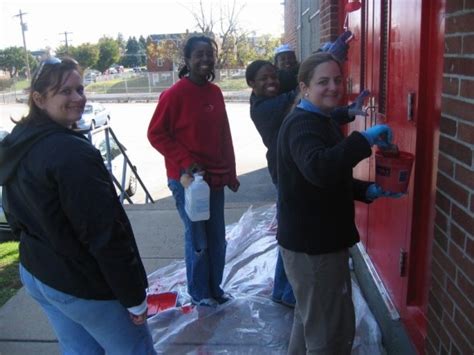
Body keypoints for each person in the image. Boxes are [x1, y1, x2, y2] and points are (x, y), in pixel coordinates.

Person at [0, 57, 156, 354]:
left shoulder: (19, 140)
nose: (78, 98)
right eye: (66, 92)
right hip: (81, 285)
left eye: (80, 89)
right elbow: (105, 234)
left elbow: (14, 212)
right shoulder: (72, 155)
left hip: (38, 273)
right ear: (39, 99)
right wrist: (134, 297)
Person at [276, 52, 401, 354]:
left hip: (312, 242)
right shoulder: (303, 126)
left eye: (337, 80)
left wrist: (368, 191)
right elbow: (320, 169)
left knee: (311, 321)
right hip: (313, 249)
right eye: (323, 82)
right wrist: (364, 139)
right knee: (330, 333)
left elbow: (325, 181)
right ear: (304, 88)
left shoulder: (318, 119)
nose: (333, 87)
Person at [147, 35, 239, 308]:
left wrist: (231, 173)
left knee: (217, 238)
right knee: (198, 238)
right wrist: (186, 160)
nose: (205, 59)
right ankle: (200, 293)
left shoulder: (214, 92)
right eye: (198, 54)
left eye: (209, 54)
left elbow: (224, 135)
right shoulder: (174, 95)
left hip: (214, 180)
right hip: (187, 181)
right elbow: (156, 134)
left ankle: (215, 287)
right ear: (186, 60)